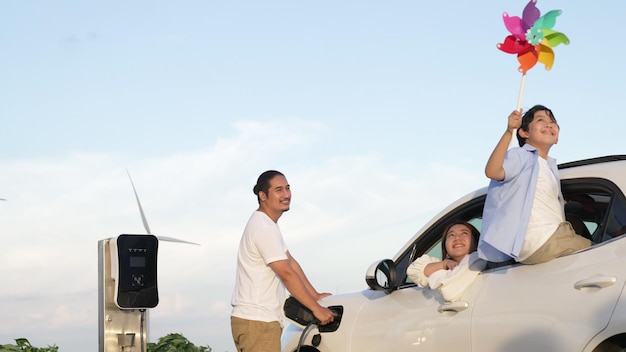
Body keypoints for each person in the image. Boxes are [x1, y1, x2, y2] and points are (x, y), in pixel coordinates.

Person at [230, 170, 335, 352]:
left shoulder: (267, 224)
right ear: (263, 196)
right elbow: (286, 273)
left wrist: (315, 295)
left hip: (253, 321)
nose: (286, 194)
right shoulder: (264, 228)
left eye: (287, 188)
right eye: (279, 190)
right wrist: (315, 309)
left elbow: (290, 262)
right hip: (258, 322)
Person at [478, 105, 592, 265]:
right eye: (541, 120)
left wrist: (574, 200)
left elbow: (537, 198)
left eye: (553, 122)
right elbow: (493, 171)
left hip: (548, 237)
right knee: (604, 252)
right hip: (542, 236)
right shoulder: (522, 155)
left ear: (557, 137)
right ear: (524, 132)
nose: (549, 124)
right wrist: (509, 131)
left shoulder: (549, 167)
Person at [407, 220, 485, 302]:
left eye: (464, 233)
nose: (457, 238)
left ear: (476, 242)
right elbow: (415, 270)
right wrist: (444, 264)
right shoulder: (442, 273)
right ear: (446, 250)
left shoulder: (489, 265)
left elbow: (449, 293)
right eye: (451, 235)